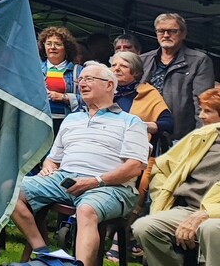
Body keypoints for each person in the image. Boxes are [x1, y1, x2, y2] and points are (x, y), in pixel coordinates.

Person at [9, 61, 149, 266]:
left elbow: (135, 167)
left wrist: (95, 181)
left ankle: (78, 264)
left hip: (110, 187)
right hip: (64, 179)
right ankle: (44, 253)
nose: (82, 83)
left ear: (109, 85)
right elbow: (53, 158)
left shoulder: (131, 122)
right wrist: (49, 166)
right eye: (80, 79)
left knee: (86, 210)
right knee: (9, 190)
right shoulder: (72, 119)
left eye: (89, 79)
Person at [131, 88, 220, 265]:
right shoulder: (201, 136)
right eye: (201, 110)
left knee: (210, 229)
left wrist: (206, 214)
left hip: (213, 214)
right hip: (187, 209)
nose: (201, 116)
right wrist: (162, 198)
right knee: (144, 227)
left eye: (208, 111)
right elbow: (162, 168)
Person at [142, 13, 216, 140]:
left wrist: (201, 138)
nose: (166, 35)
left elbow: (203, 103)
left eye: (172, 31)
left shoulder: (198, 60)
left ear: (183, 34)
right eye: (161, 31)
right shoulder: (143, 60)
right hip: (143, 133)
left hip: (179, 136)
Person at [109, 50, 174, 141]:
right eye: (113, 65)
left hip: (132, 146)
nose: (116, 69)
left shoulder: (147, 92)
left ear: (136, 72)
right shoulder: (103, 90)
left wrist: (140, 125)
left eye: (123, 66)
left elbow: (168, 124)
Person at [39, 26, 84, 133]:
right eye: (48, 43)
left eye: (58, 44)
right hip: (39, 121)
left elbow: (90, 99)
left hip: (67, 123)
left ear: (66, 48)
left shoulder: (79, 71)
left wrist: (64, 97)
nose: (52, 47)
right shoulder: (34, 69)